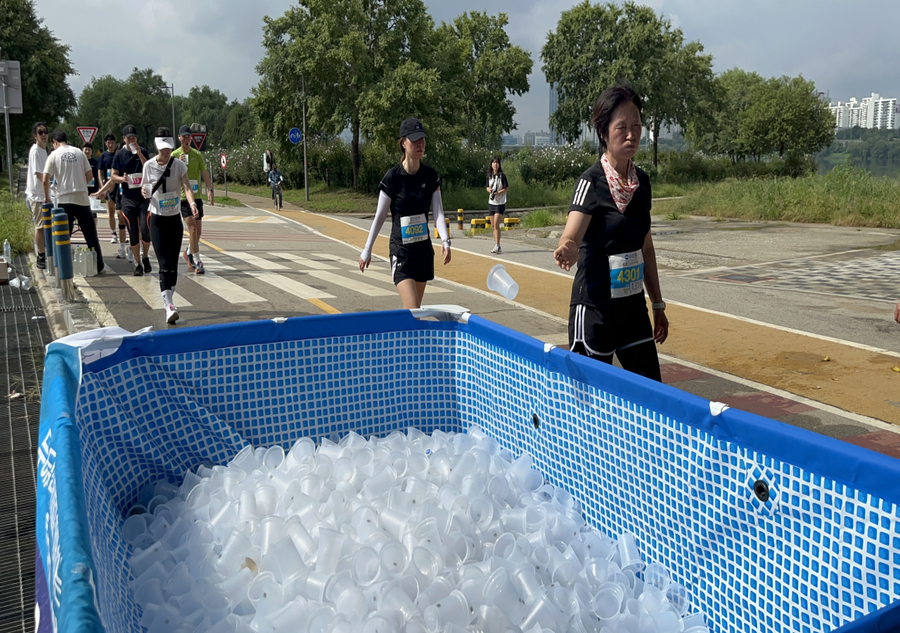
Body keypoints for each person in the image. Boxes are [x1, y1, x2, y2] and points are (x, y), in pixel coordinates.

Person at [553, 83, 668, 381]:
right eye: (621, 128)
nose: (631, 135)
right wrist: (568, 248)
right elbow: (572, 236)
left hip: (632, 310)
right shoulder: (590, 182)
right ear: (604, 133)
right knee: (589, 405)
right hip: (595, 310)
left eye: (636, 126)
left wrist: (657, 304)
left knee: (650, 393)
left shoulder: (641, 183)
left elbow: (646, 249)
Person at [358, 117, 451, 309]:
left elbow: (438, 213)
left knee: (413, 314)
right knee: (414, 309)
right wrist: (367, 249)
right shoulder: (392, 178)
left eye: (423, 140)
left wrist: (445, 240)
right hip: (402, 252)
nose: (420, 144)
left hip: (423, 251)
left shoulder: (430, 176)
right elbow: (380, 217)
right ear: (403, 143)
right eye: (415, 140)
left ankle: (405, 338)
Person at [140, 127, 200, 324]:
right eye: (162, 148)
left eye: (168, 148)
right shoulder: (148, 166)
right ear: (157, 146)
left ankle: (169, 297)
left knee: (173, 264)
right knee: (164, 263)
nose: (165, 152)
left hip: (174, 219)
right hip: (157, 219)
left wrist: (191, 203)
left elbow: (186, 187)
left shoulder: (179, 165)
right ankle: (169, 305)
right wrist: (144, 191)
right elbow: (145, 187)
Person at [41, 130, 105, 273]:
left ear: (55, 142)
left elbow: (45, 178)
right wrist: (81, 184)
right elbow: (89, 175)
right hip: (82, 198)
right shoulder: (79, 152)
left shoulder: (54, 155)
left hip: (64, 198)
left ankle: (62, 265)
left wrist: (47, 197)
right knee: (90, 234)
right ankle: (98, 265)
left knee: (64, 234)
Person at [96, 125, 152, 275]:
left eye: (134, 137)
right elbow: (113, 176)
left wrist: (139, 153)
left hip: (144, 196)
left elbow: (150, 168)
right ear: (124, 139)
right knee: (133, 231)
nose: (132, 140)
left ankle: (145, 256)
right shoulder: (120, 155)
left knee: (145, 229)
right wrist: (123, 179)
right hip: (128, 198)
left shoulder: (143, 151)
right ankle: (138, 263)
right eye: (129, 138)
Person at [173, 125, 214, 274]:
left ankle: (189, 252)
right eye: (183, 137)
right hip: (183, 198)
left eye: (188, 137)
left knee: (198, 232)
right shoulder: (174, 155)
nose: (186, 140)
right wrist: (177, 162)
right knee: (192, 228)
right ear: (179, 138)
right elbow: (169, 175)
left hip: (196, 196)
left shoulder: (197, 155)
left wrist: (210, 190)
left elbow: (204, 173)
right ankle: (198, 261)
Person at [96, 133, 128, 255]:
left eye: (112, 142)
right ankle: (113, 233)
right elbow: (101, 173)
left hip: (122, 187)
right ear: (105, 143)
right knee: (111, 210)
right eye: (108, 142)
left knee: (123, 215)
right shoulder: (103, 156)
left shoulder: (120, 156)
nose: (110, 144)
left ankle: (127, 238)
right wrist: (101, 188)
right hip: (110, 185)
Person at [25, 122, 50, 269]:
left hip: (43, 194)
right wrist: (49, 188)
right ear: (35, 135)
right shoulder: (35, 151)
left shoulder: (44, 150)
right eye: (40, 132)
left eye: (45, 132)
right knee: (40, 226)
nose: (44, 135)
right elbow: (39, 174)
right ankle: (41, 256)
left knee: (46, 225)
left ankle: (45, 252)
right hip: (36, 195)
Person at [486, 156, 509, 254]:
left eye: (497, 162)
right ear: (491, 164)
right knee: (493, 225)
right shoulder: (489, 175)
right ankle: (497, 244)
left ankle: (497, 245)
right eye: (493, 162)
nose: (495, 164)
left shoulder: (502, 176)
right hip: (492, 202)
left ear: (499, 164)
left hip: (500, 202)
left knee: (496, 224)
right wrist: (490, 191)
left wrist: (498, 193)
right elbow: (487, 187)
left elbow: (506, 188)